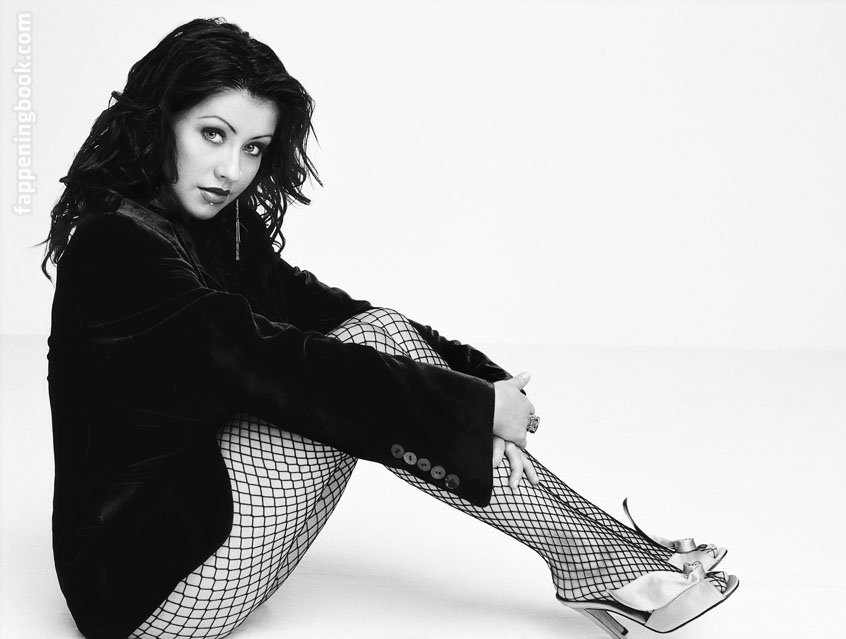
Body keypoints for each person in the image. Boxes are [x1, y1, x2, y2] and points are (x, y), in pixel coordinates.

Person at [41, 17, 739, 639]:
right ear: (159, 121)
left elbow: (328, 311)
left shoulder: (213, 227)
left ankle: (607, 558)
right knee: (347, 368)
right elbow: (274, 364)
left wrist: (485, 384)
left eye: (254, 148)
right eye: (212, 134)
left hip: (204, 527)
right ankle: (606, 564)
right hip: (139, 581)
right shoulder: (115, 247)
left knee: (371, 333)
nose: (231, 170)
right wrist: (474, 408)